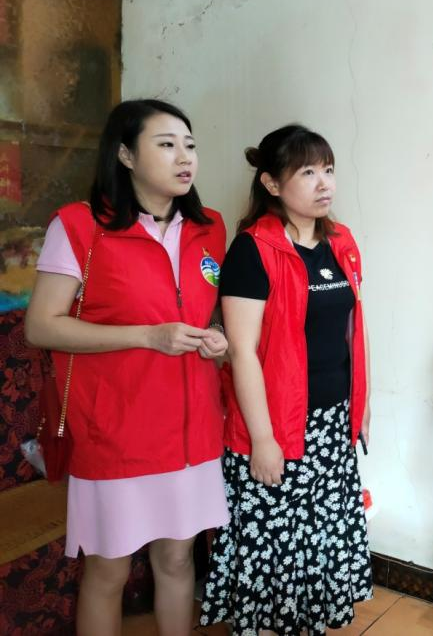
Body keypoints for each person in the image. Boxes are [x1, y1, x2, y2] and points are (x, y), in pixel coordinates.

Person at [24, 99, 229, 636]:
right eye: (166, 144)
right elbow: (41, 326)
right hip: (115, 431)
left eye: (190, 145)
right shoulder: (79, 226)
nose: (184, 157)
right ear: (126, 155)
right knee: (109, 570)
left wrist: (217, 339)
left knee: (177, 561)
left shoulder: (208, 227)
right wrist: (147, 336)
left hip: (192, 432)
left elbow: (203, 311)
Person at [200, 125, 373, 635]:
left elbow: (354, 328)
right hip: (276, 425)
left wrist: (361, 405)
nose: (325, 183)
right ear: (272, 184)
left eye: (329, 170)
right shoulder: (253, 250)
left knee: (319, 541)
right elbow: (243, 351)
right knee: (274, 546)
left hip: (331, 422)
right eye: (308, 172)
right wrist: (262, 439)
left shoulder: (341, 243)